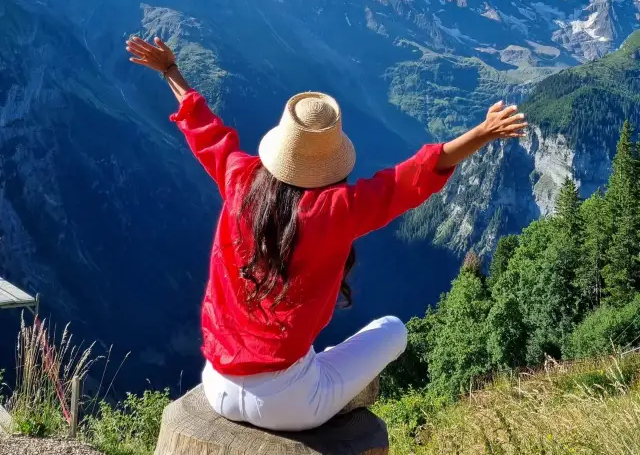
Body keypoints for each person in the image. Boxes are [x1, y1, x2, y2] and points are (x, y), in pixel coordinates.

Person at [126, 35, 527, 432]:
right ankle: (329, 384)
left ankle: (320, 372)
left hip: (217, 385)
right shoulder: (339, 210)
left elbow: (206, 130)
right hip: (290, 403)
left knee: (317, 356)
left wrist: (169, 71)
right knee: (392, 330)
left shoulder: (239, 180)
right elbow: (411, 177)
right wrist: (484, 132)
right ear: (332, 159)